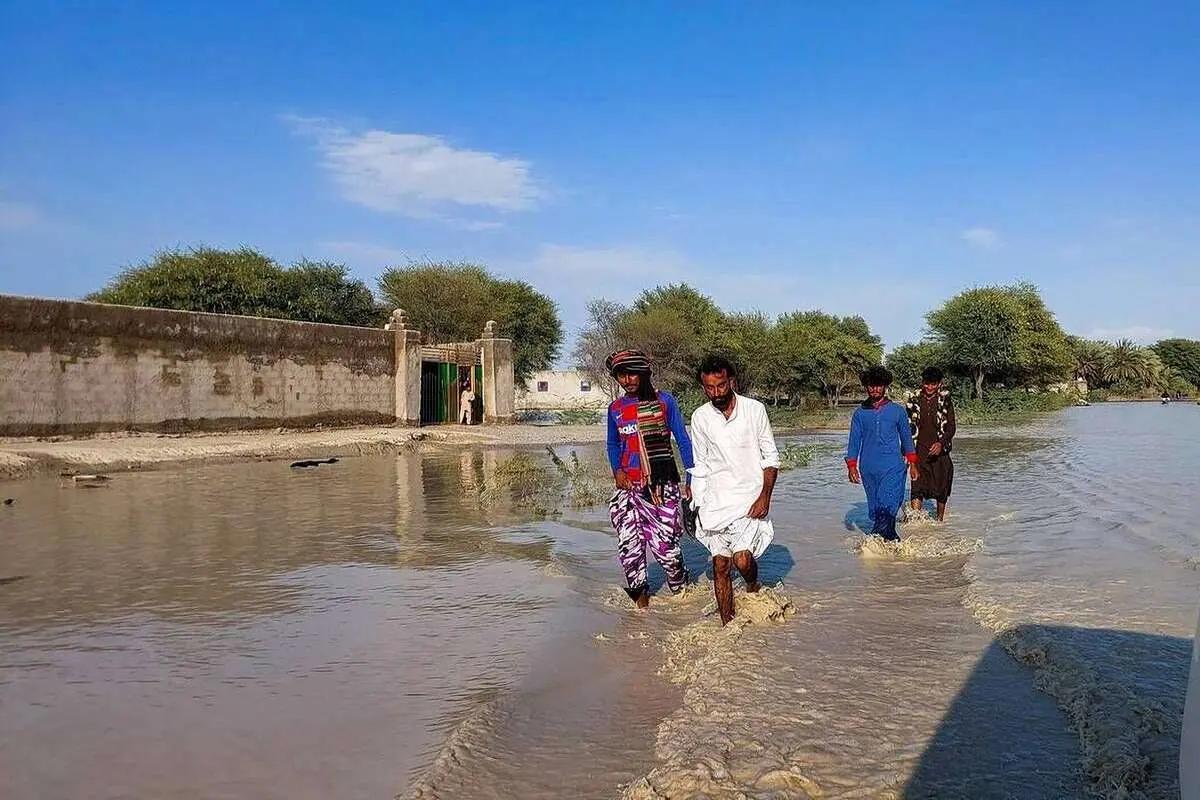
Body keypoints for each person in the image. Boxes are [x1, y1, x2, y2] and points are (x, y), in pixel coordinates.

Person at [688, 355, 780, 626]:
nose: (715, 392)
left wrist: (765, 496)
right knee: (720, 565)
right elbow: (701, 464)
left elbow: (771, 458)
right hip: (716, 502)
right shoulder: (700, 417)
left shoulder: (754, 410)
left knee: (741, 560)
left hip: (749, 499)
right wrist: (696, 503)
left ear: (732, 382)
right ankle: (728, 627)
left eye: (721, 386)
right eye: (709, 388)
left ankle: (752, 586)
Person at [605, 349, 694, 608]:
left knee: (666, 549)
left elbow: (683, 441)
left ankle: (682, 598)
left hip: (661, 487)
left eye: (633, 373)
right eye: (622, 375)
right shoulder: (616, 409)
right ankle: (640, 613)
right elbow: (612, 444)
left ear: (645, 373)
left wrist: (692, 478)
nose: (627, 379)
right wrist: (617, 471)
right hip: (628, 490)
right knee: (630, 551)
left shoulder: (665, 402)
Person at [846, 365, 918, 541]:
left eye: (878, 385)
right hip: (868, 468)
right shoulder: (859, 414)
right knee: (877, 508)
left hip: (893, 467)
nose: (874, 389)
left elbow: (907, 438)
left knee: (889, 504)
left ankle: (876, 543)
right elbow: (854, 441)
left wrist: (913, 464)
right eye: (871, 385)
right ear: (866, 387)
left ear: (885, 387)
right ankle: (890, 547)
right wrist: (851, 466)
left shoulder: (898, 411)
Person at [906, 366, 957, 522]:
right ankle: (915, 525)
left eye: (933, 384)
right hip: (919, 451)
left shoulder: (945, 400)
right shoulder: (913, 401)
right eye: (927, 384)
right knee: (917, 488)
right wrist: (907, 453)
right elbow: (907, 428)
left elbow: (951, 427)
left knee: (941, 488)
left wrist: (941, 443)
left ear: (939, 384)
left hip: (940, 453)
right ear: (922, 383)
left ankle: (940, 521)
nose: (929, 387)